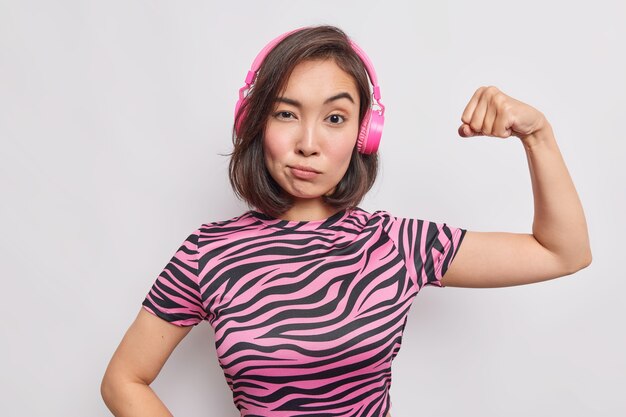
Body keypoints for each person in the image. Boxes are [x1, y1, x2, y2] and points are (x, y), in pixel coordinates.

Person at [100, 25, 592, 417]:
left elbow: (563, 252)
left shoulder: (395, 243)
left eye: (334, 118)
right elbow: (124, 380)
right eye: (286, 114)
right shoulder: (208, 252)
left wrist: (538, 135)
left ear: (365, 133)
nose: (308, 142)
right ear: (255, 123)